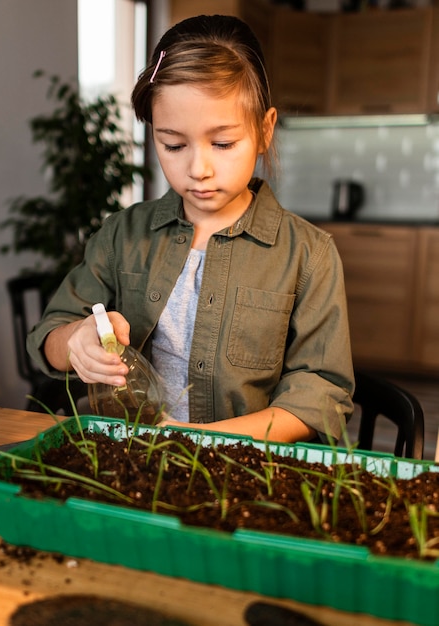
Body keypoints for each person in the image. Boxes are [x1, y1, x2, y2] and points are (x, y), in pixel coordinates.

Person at [27, 14, 354, 444]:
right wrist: (77, 342)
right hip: (137, 458)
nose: (198, 169)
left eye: (222, 143)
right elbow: (49, 336)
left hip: (250, 470)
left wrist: (203, 439)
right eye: (173, 145)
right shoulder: (123, 235)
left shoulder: (308, 255)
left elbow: (321, 394)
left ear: (264, 130)